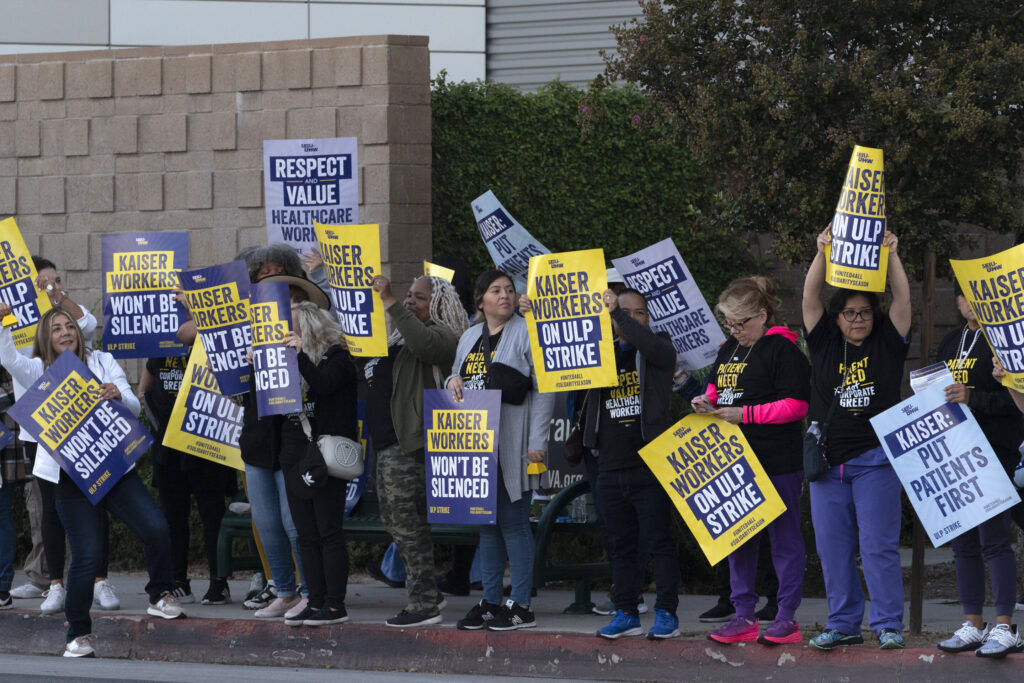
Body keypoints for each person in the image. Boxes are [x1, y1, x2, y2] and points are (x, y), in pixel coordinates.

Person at [0, 303, 184, 658]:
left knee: (156, 527)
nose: (65, 332)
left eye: (68, 326)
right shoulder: (39, 369)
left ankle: (160, 594)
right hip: (69, 475)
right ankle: (78, 634)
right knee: (88, 555)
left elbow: (132, 405)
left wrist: (118, 396)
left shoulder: (103, 362)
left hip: (114, 465)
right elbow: (9, 359)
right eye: (55, 329)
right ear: (46, 338)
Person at [802, 227, 911, 651]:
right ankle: (844, 623)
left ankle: (887, 624)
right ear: (837, 318)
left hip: (876, 462)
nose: (858, 319)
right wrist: (821, 253)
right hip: (828, 466)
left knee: (878, 547)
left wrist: (893, 256)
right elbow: (809, 298)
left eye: (865, 312)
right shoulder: (825, 343)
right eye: (849, 313)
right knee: (833, 550)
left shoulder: (887, 343)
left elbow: (901, 301)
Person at [693, 277, 809, 645]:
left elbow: (797, 405)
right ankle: (742, 615)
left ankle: (785, 616)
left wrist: (746, 415)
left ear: (763, 315)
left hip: (777, 460)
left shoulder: (783, 349)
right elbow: (715, 389)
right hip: (734, 462)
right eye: (729, 322)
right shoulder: (729, 348)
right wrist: (704, 403)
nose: (734, 329)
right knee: (737, 540)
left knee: (784, 539)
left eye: (741, 323)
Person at [570, 287, 680, 641]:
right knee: (620, 545)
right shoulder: (597, 354)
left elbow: (646, 343)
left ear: (649, 319)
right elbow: (558, 352)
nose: (632, 318)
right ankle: (627, 612)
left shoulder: (660, 350)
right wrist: (532, 317)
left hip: (651, 465)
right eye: (625, 311)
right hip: (610, 467)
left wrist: (616, 314)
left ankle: (666, 612)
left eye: (640, 313)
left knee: (660, 542)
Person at [10, 257, 118, 614]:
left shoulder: (67, 319)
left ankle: (99, 580)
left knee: (94, 505)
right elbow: (13, 360)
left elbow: (86, 324)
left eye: (55, 281)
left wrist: (60, 299)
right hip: (39, 431)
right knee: (47, 512)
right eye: (43, 283)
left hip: (84, 430)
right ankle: (52, 582)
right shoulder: (22, 330)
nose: (49, 288)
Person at [359, 273, 467, 627]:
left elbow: (425, 346)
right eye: (408, 295)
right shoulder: (397, 339)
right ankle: (428, 594)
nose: (409, 301)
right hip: (387, 447)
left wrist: (389, 301)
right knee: (397, 524)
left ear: (438, 304)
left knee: (410, 525)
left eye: (419, 297)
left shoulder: (445, 336)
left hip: (413, 446)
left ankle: (424, 602)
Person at [448, 270, 554, 631]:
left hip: (513, 441)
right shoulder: (467, 338)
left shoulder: (527, 331)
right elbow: (453, 377)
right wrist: (453, 381)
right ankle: (491, 601)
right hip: (475, 445)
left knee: (513, 523)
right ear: (480, 301)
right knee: (486, 526)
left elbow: (545, 388)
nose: (505, 296)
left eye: (510, 290)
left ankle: (521, 604)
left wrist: (537, 442)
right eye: (496, 291)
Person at [934, 283, 1024, 658]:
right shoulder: (950, 342)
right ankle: (973, 623)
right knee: (963, 542)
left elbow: (1016, 403)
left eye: (979, 298)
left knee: (994, 539)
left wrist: (975, 397)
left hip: (995, 450)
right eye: (965, 297)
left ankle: (1005, 625)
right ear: (957, 302)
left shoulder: (1006, 344)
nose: (971, 304)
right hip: (955, 453)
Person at [279, 299, 357, 627]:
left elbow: (324, 386)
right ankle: (316, 599)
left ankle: (336, 604)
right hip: (296, 454)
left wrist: (298, 358)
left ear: (308, 328)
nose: (284, 334)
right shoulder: (289, 360)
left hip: (328, 455)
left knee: (328, 531)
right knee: (305, 534)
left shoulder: (337, 358)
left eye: (291, 327)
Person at [138, 352, 237, 605]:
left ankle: (219, 582)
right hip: (169, 441)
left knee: (212, 514)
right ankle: (178, 580)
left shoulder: (208, 337)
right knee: (172, 515)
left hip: (204, 434)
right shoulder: (161, 340)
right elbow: (146, 383)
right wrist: (154, 415)